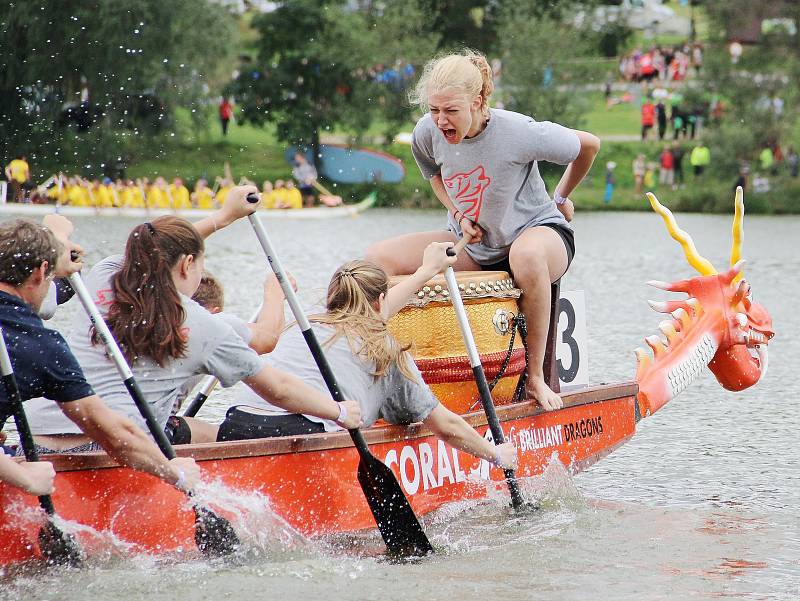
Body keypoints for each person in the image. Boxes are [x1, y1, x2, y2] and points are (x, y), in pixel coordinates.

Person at [25, 187, 361, 450]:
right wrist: (340, 412)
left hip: (34, 437)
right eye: (200, 262)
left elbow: (153, 247)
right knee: (226, 438)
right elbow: (279, 387)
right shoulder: (204, 327)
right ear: (187, 264)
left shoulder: (105, 274)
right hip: (119, 446)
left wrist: (224, 217)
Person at [365, 50, 600, 411]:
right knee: (376, 260)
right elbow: (435, 176)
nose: (440, 121)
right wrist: (458, 214)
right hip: (476, 247)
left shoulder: (519, 131)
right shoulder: (425, 133)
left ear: (477, 102)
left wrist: (561, 196)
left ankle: (535, 377)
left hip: (540, 234)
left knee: (526, 255)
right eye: (433, 110)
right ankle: (375, 372)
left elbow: (588, 145)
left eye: (451, 111)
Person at [219, 246, 518, 472]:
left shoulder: (304, 321)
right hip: (298, 435)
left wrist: (427, 271)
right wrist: (496, 455)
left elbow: (376, 309)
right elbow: (446, 426)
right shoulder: (385, 351)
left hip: (235, 425)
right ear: (379, 302)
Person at [0, 215, 200, 492]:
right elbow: (113, 435)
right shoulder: (39, 347)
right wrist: (175, 473)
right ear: (39, 272)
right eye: (50, 279)